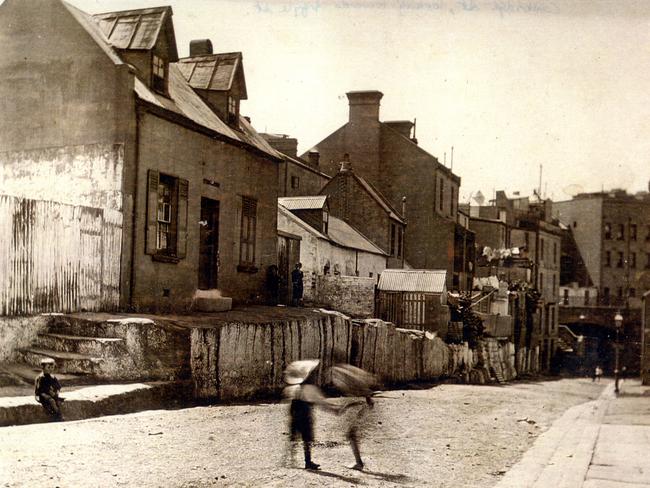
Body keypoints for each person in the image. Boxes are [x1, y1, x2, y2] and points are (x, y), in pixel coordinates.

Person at [282, 359, 340, 470]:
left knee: (293, 437)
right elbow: (321, 402)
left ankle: (289, 460)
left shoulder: (292, 388)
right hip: (305, 417)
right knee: (306, 440)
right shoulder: (310, 389)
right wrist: (333, 410)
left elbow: (289, 402)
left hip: (294, 417)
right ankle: (307, 462)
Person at [331, 364, 379, 471]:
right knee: (352, 435)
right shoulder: (357, 383)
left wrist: (345, 407)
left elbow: (359, 401)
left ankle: (359, 463)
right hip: (364, 409)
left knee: (351, 435)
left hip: (362, 410)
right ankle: (359, 462)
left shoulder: (355, 386)